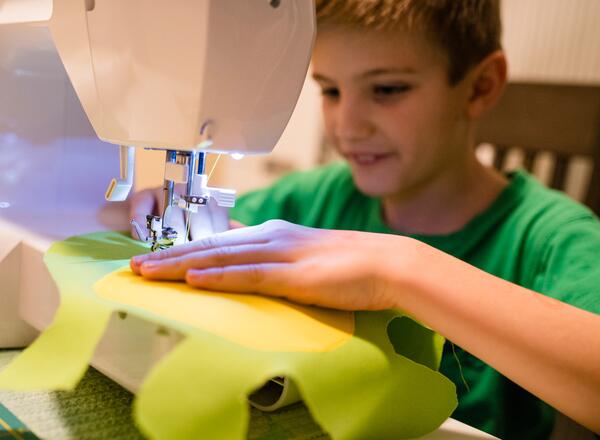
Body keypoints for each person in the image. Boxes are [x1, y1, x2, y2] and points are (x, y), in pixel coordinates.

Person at [128, 1, 600, 437]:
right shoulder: (317, 197)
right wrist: (148, 204)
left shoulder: (554, 239)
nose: (346, 127)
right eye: (330, 91)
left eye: (387, 89)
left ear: (480, 87)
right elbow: (216, 235)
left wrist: (401, 269)